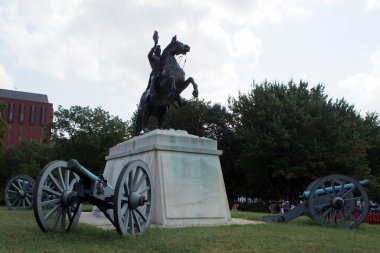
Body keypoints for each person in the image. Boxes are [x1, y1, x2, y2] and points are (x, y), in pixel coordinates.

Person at [146, 30, 161, 102]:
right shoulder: (152, 57)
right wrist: (155, 44)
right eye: (158, 49)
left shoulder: (161, 58)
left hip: (162, 73)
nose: (160, 50)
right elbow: (149, 55)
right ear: (155, 50)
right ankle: (151, 94)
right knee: (153, 78)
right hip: (155, 73)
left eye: (160, 49)